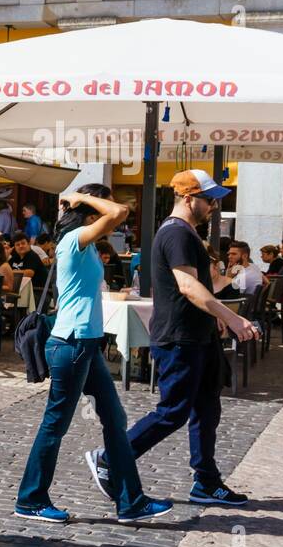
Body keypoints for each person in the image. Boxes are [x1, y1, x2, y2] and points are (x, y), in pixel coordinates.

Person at [89, 169, 257, 508]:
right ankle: (111, 458)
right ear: (188, 198)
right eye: (209, 200)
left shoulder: (188, 233)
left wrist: (215, 320)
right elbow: (187, 286)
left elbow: (201, 285)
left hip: (199, 336)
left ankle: (206, 482)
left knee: (207, 406)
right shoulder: (177, 233)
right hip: (180, 337)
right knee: (173, 411)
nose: (214, 206)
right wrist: (232, 317)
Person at [16, 185, 172, 524]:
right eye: (98, 210)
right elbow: (118, 212)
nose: (109, 221)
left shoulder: (81, 243)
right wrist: (82, 198)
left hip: (85, 344)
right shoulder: (75, 239)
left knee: (115, 420)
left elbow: (113, 216)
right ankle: (30, 499)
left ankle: (131, 501)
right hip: (72, 343)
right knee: (55, 424)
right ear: (89, 213)